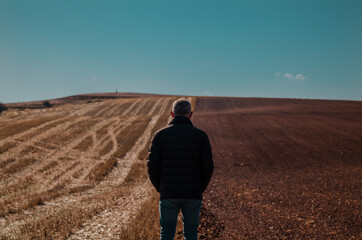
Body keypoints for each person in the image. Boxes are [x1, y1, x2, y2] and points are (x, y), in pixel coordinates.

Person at [147, 98, 214, 240]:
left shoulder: (159, 136)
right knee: (191, 234)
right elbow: (208, 167)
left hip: (168, 193)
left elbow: (152, 167)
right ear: (191, 114)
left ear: (172, 114)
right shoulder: (201, 136)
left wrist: (162, 188)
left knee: (166, 234)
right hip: (193, 194)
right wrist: (198, 188)